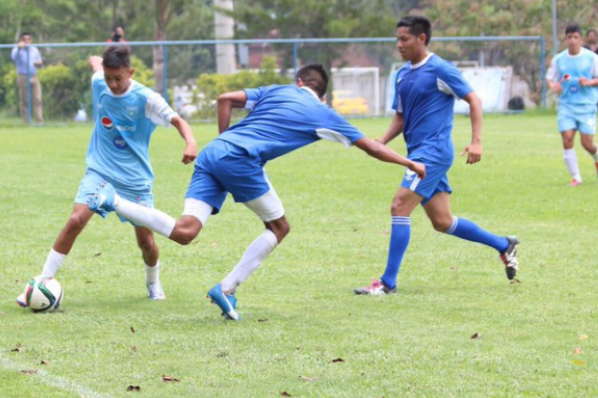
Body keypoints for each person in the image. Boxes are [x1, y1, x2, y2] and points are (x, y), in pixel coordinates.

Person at [87, 63, 425, 320]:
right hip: (239, 160)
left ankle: (114, 201)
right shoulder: (323, 113)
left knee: (185, 232)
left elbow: (225, 99)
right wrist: (410, 164)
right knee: (280, 228)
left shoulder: (277, 90)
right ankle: (226, 288)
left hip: (214, 153)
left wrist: (224, 138)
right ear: (321, 93)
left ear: (299, 82)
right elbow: (372, 147)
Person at [16, 46, 198, 308]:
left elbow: (179, 121)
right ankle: (43, 280)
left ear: (130, 72)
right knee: (76, 220)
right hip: (100, 172)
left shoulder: (147, 98)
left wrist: (190, 142)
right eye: (108, 77)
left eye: (118, 78)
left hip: (134, 180)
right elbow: (95, 64)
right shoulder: (99, 80)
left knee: (146, 241)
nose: (112, 84)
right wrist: (97, 61)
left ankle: (153, 282)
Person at [352, 16, 520, 297]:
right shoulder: (402, 75)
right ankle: (504, 244)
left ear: (422, 39)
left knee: (399, 206)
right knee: (443, 222)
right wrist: (381, 140)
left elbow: (474, 100)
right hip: (418, 152)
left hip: (433, 153)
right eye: (398, 39)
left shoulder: (440, 69)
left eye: (404, 39)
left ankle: (387, 283)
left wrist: (476, 141)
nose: (399, 44)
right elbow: (402, 117)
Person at [548, 23, 598, 186]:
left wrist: (589, 82)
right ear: (565, 39)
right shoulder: (559, 59)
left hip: (586, 106)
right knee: (567, 139)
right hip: (566, 105)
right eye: (569, 37)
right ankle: (576, 177)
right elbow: (550, 78)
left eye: (576, 37)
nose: (573, 40)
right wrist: (553, 85)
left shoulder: (591, 58)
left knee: (587, 144)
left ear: (581, 39)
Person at [11, 32, 43, 124]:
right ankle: (26, 121)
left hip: (34, 75)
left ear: (31, 40)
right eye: (24, 39)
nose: (26, 41)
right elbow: (14, 58)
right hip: (23, 76)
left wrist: (38, 64)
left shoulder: (35, 50)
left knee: (37, 99)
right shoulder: (17, 49)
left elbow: (40, 62)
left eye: (28, 39)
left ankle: (39, 121)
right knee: (24, 100)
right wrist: (19, 48)